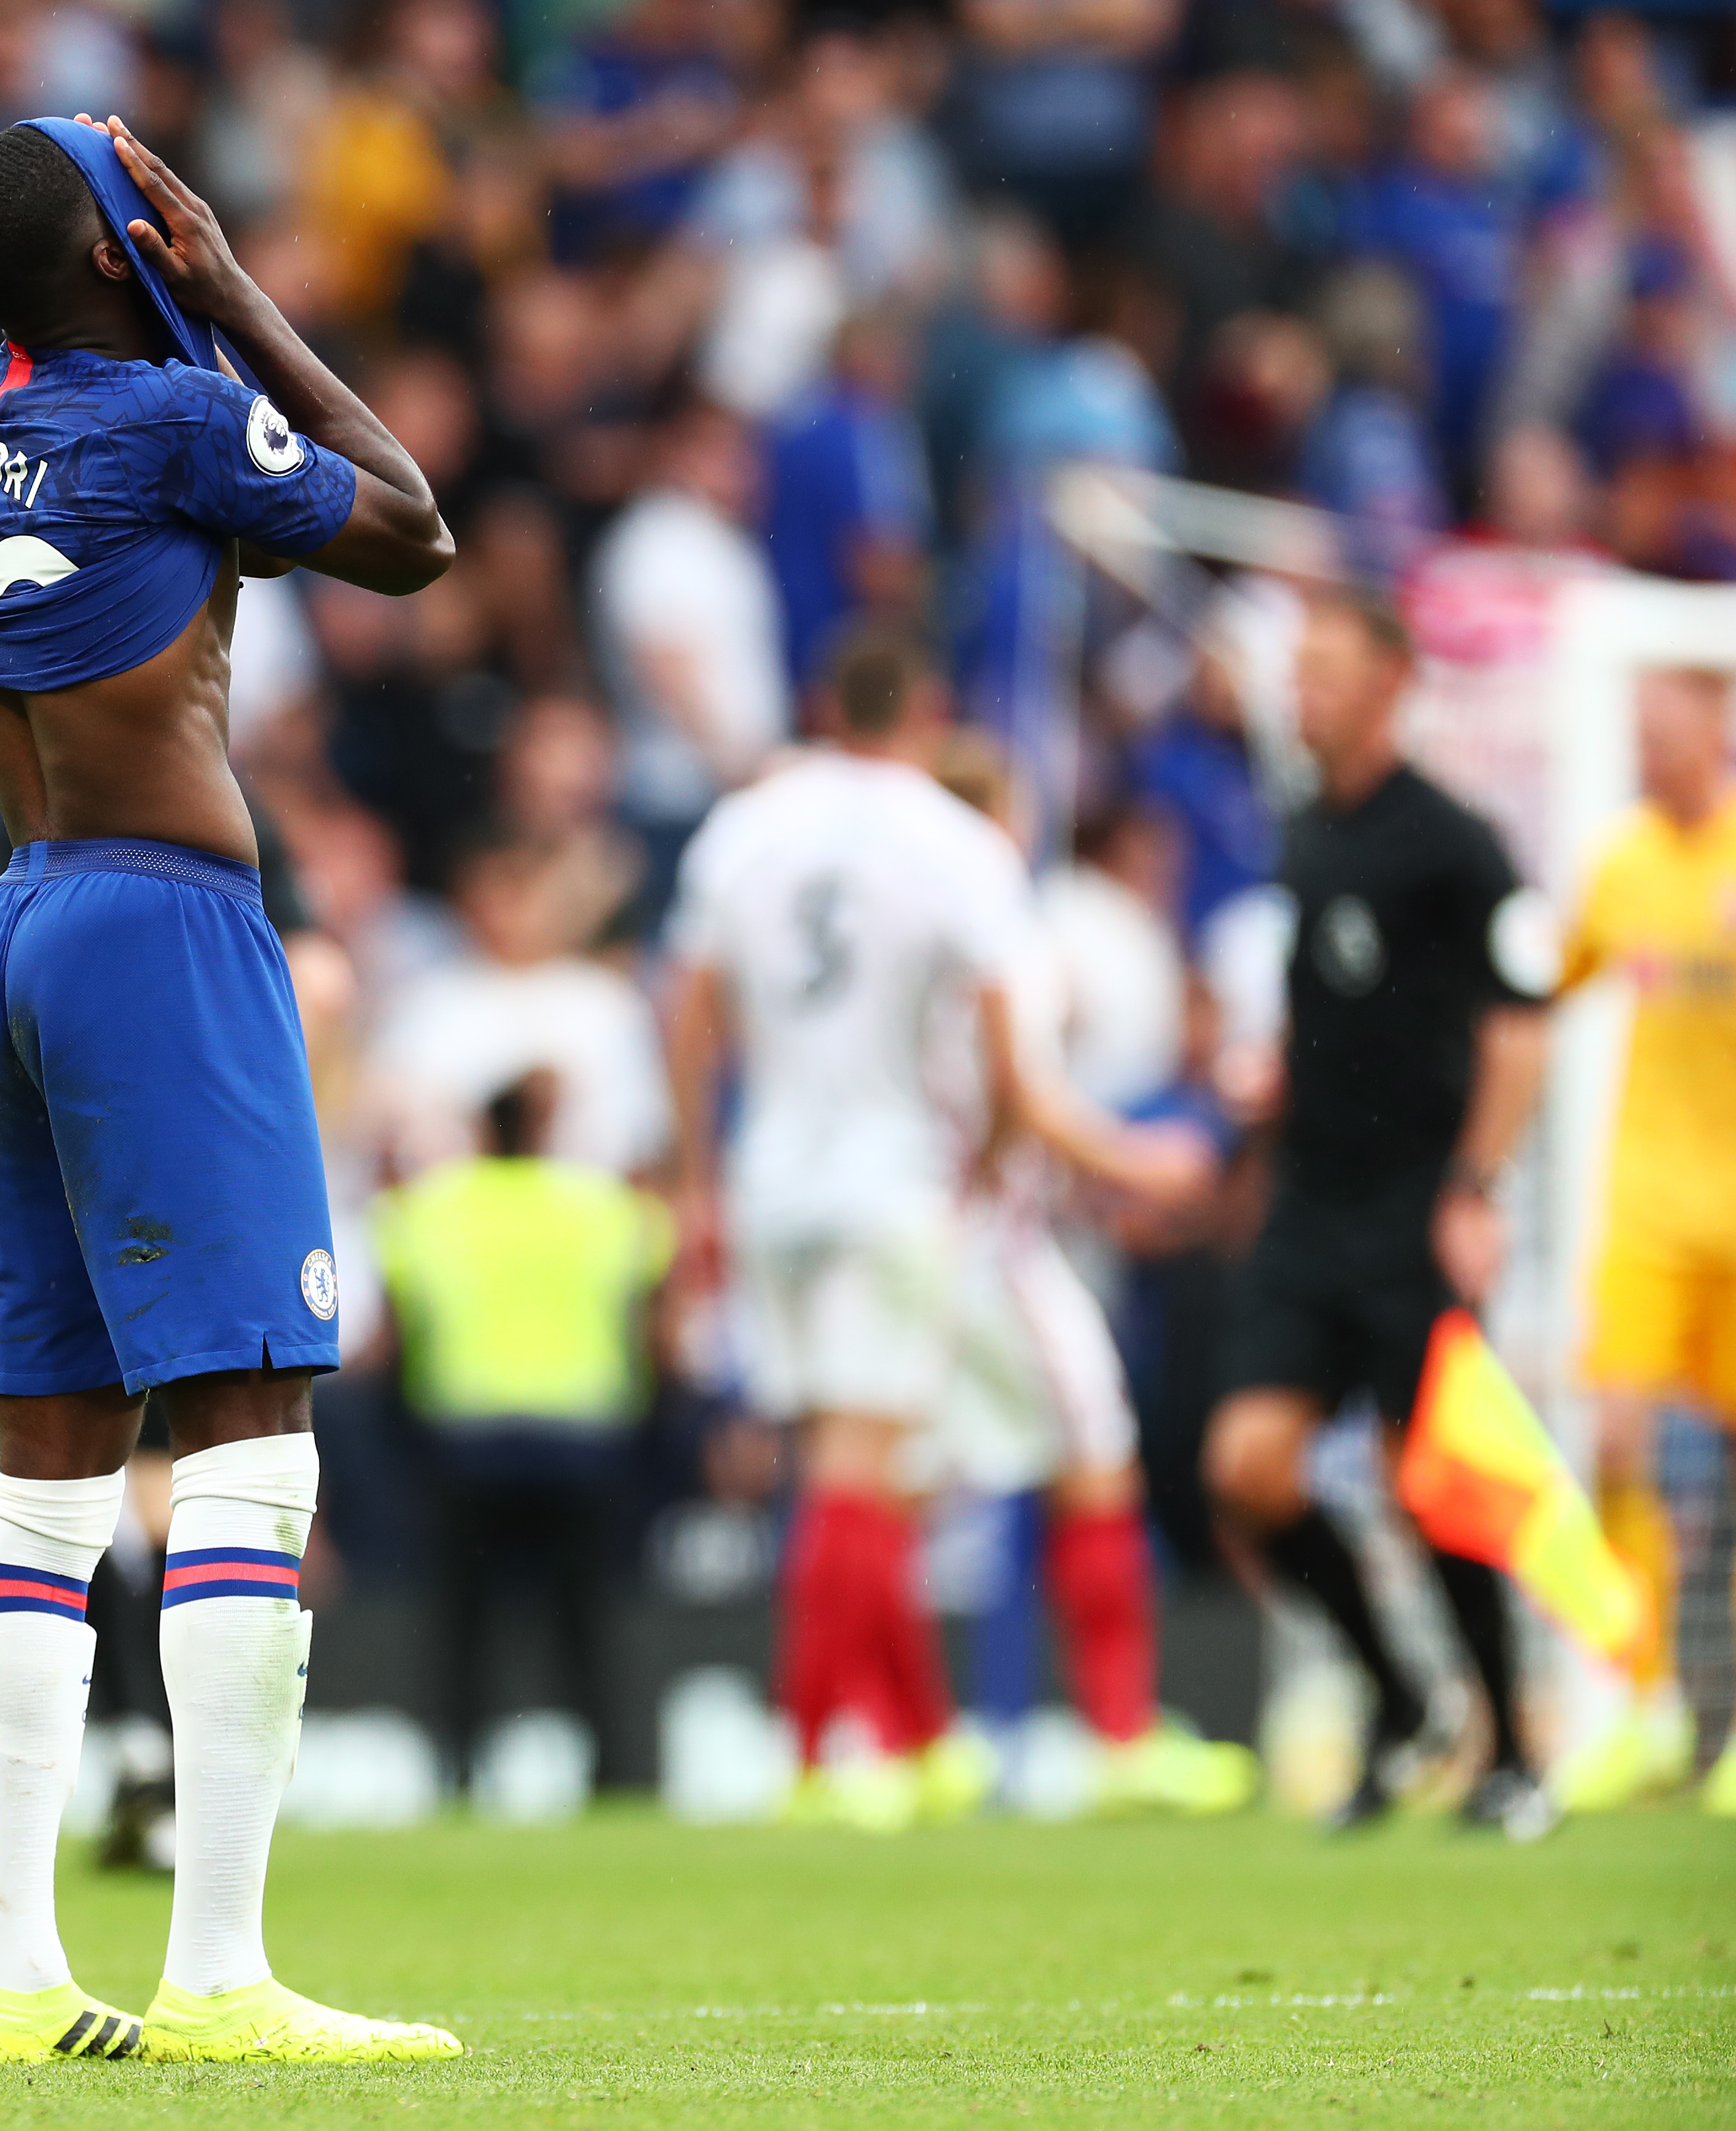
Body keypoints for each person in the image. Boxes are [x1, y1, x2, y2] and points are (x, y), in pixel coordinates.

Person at [0, 114, 454, 2065]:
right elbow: (407, 526)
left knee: (48, 1466)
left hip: (19, 920)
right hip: (160, 928)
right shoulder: (163, 413)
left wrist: (167, 303)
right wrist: (237, 295)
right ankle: (217, 1970)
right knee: (244, 1424)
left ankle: (9, 1973)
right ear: (117, 252)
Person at [664, 628, 1201, 1832]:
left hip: (771, 1183)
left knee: (857, 1469)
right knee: (917, 1461)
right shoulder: (952, 855)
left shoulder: (746, 824)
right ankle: (823, 1752)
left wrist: (698, 1178)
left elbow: (688, 1008)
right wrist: (1113, 1160)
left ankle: (903, 1738)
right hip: (906, 1199)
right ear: (924, 711)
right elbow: (1020, 1082)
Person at [1200, 591, 1558, 1840]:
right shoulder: (1304, 828)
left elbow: (1517, 1030)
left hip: (1414, 1199)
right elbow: (1332, 1009)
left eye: (1324, 672)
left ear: (1392, 683)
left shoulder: (1455, 841)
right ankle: (1402, 1695)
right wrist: (1270, 1082)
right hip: (1309, 1200)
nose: (1300, 694)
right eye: (1295, 672)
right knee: (1243, 1464)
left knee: (1436, 1480)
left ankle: (1513, 1748)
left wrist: (1473, 1186)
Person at [926, 736, 1258, 1818]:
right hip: (986, 1239)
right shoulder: (998, 932)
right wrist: (1138, 1160)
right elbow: (1024, 1103)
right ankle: (1117, 1733)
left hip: (908, 1224)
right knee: (1096, 1448)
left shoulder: (917, 931)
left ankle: (871, 1742)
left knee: (884, 1480)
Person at [1551, 667, 1736, 1818]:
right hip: (1649, 1208)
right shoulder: (1619, 864)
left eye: (1665, 733)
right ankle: (1641, 1696)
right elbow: (1537, 992)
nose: (1648, 752)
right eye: (1638, 735)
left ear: (1716, 731)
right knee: (1619, 1437)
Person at [374, 1069, 666, 1794]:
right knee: (586, 1624)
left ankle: (461, 1772)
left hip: (468, 1442)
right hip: (581, 1442)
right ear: (542, 1131)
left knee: (464, 1625)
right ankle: (612, 1775)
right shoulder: (600, 1207)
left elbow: (393, 1330)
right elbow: (656, 1308)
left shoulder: (431, 1207)